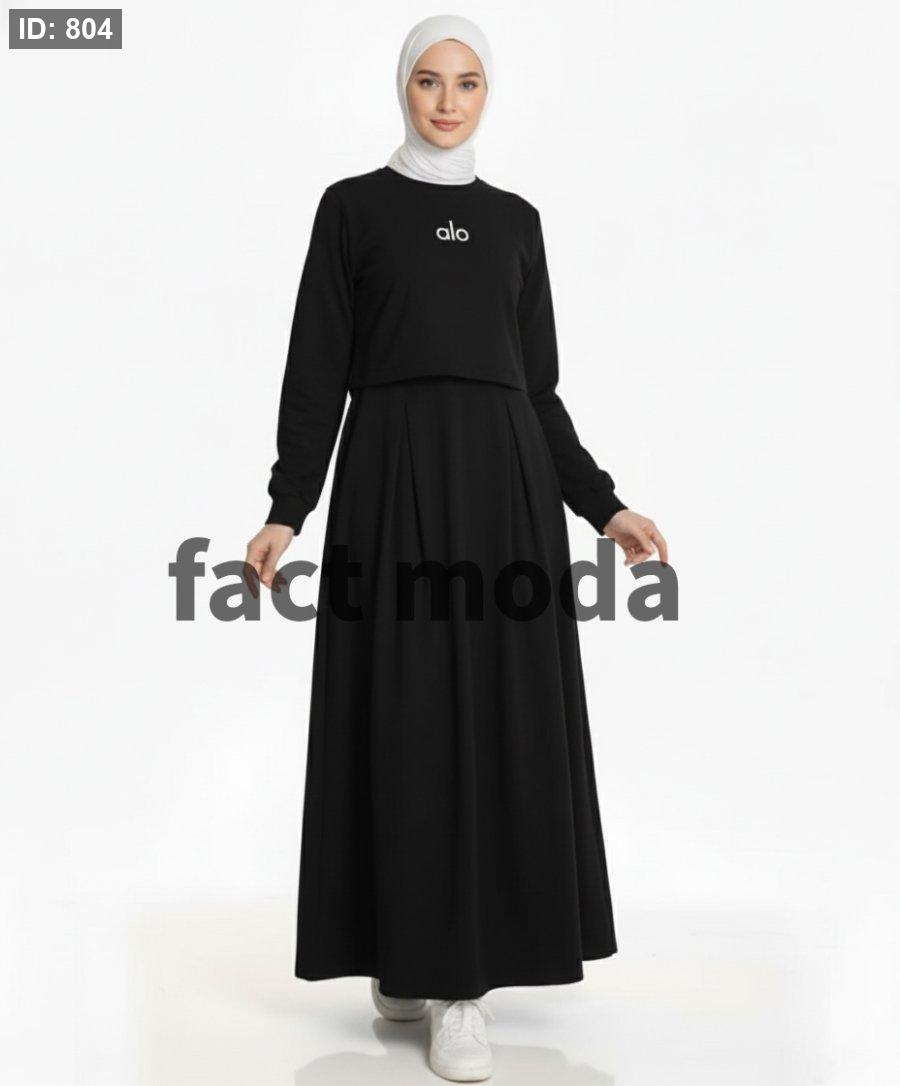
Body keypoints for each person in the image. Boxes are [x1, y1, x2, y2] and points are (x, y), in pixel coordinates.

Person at [245, 14, 668, 1083]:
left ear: (488, 94)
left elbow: (539, 389)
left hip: (505, 492)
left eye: (467, 83)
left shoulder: (517, 222)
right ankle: (409, 951)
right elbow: (316, 370)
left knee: (485, 717)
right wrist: (289, 508)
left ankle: (460, 986)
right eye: (429, 81)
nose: (446, 101)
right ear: (403, 88)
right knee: (405, 712)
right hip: (390, 487)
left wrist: (603, 507)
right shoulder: (353, 209)